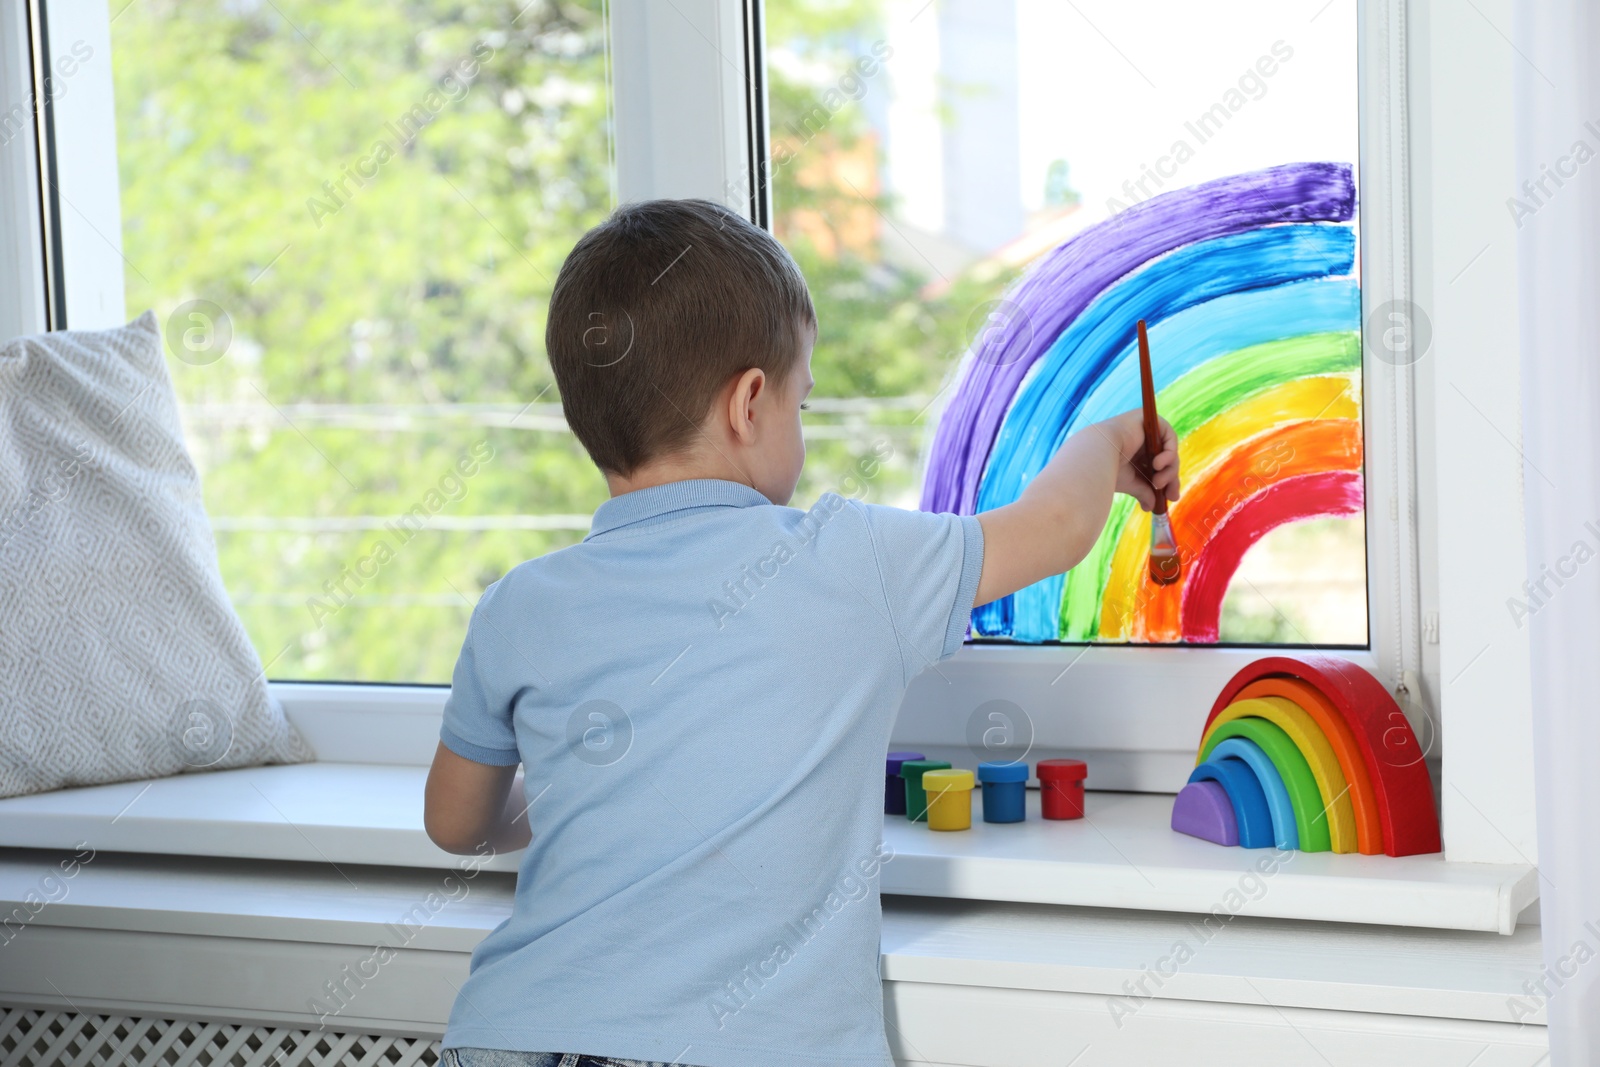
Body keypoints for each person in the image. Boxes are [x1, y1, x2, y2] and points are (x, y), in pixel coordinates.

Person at [423, 198, 1179, 1067]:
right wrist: (1113, 436)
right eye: (803, 405)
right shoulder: (847, 559)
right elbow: (1052, 527)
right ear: (750, 403)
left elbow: (457, 821)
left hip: (515, 1035)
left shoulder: (520, 604)